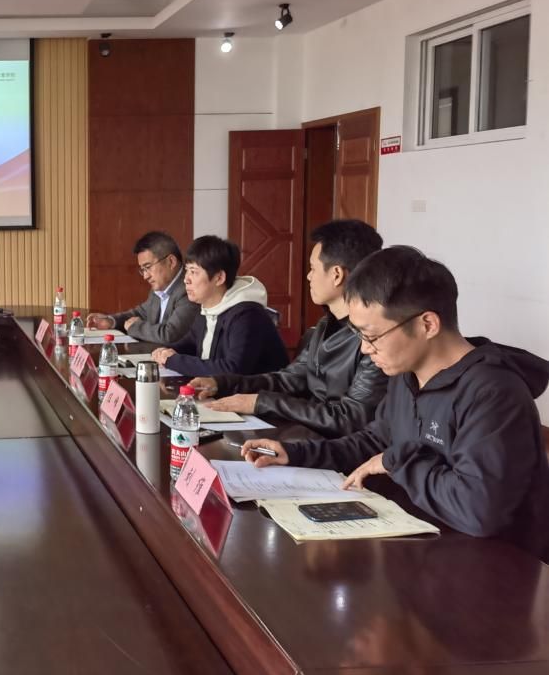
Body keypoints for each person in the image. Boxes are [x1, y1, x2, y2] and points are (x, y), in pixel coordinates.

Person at [242, 246, 549, 562]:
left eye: (372, 336)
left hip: (496, 569)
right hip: (423, 547)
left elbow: (478, 511)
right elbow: (375, 441)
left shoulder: (494, 393)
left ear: (427, 324)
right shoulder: (407, 374)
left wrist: (397, 461)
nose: (365, 349)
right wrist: (295, 453)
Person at [190, 219, 388, 436]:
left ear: (337, 275)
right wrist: (221, 384)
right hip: (306, 436)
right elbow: (289, 379)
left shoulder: (376, 340)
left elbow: (350, 419)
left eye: (313, 268)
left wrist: (261, 402)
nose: (308, 276)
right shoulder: (325, 326)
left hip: (334, 447)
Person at [152, 235, 287, 376]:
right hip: (220, 388)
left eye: (194, 272)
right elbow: (191, 343)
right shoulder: (208, 306)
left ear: (219, 278)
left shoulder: (248, 316)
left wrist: (173, 360)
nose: (186, 279)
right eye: (187, 270)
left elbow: (233, 370)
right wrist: (165, 351)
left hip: (260, 390)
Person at [85, 231, 198, 345]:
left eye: (148, 267)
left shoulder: (189, 290)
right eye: (143, 270)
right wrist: (111, 321)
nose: (145, 276)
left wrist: (135, 327)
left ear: (171, 261)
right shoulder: (160, 287)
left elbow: (169, 334)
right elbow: (141, 313)